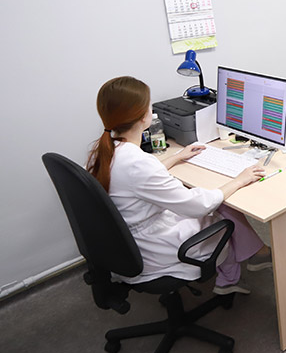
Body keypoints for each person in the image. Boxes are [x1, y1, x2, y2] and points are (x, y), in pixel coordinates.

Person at [87, 76, 269, 295]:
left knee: (219, 200)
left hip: (128, 242)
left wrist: (176, 157)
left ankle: (253, 256)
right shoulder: (137, 163)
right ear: (144, 116)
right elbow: (197, 205)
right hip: (155, 249)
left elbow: (138, 180)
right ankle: (231, 276)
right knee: (223, 212)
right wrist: (239, 180)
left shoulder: (106, 151)